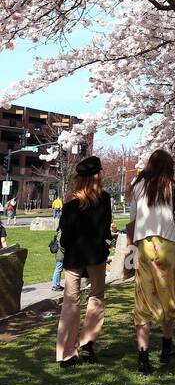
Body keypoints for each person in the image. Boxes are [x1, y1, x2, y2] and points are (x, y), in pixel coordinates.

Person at [127, 149, 175, 374]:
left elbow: (132, 218)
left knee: (144, 299)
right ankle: (166, 347)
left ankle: (143, 359)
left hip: (145, 247)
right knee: (170, 295)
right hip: (168, 247)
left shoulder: (137, 187)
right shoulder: (172, 187)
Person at [55, 156, 112, 367]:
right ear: (97, 176)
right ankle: (87, 342)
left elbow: (65, 235)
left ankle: (67, 353)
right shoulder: (104, 199)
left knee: (71, 300)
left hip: (74, 256)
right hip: (96, 254)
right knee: (96, 296)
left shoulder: (70, 202)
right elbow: (106, 228)